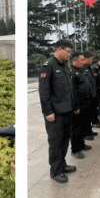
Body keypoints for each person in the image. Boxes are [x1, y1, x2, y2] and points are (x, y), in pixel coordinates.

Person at [38, 40, 78, 183]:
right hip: (55, 113)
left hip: (67, 111)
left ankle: (62, 164)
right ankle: (55, 171)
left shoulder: (64, 66)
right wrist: (48, 111)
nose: (69, 55)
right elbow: (44, 92)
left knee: (65, 140)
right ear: (59, 49)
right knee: (56, 142)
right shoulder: (48, 66)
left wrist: (74, 106)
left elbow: (69, 90)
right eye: (68, 51)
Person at [69, 51, 93, 159]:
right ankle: (75, 149)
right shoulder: (72, 73)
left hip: (85, 104)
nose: (84, 62)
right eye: (82, 59)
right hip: (78, 105)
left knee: (82, 126)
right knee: (76, 128)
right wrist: (75, 106)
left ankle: (81, 144)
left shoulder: (80, 71)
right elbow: (72, 91)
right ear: (75, 61)